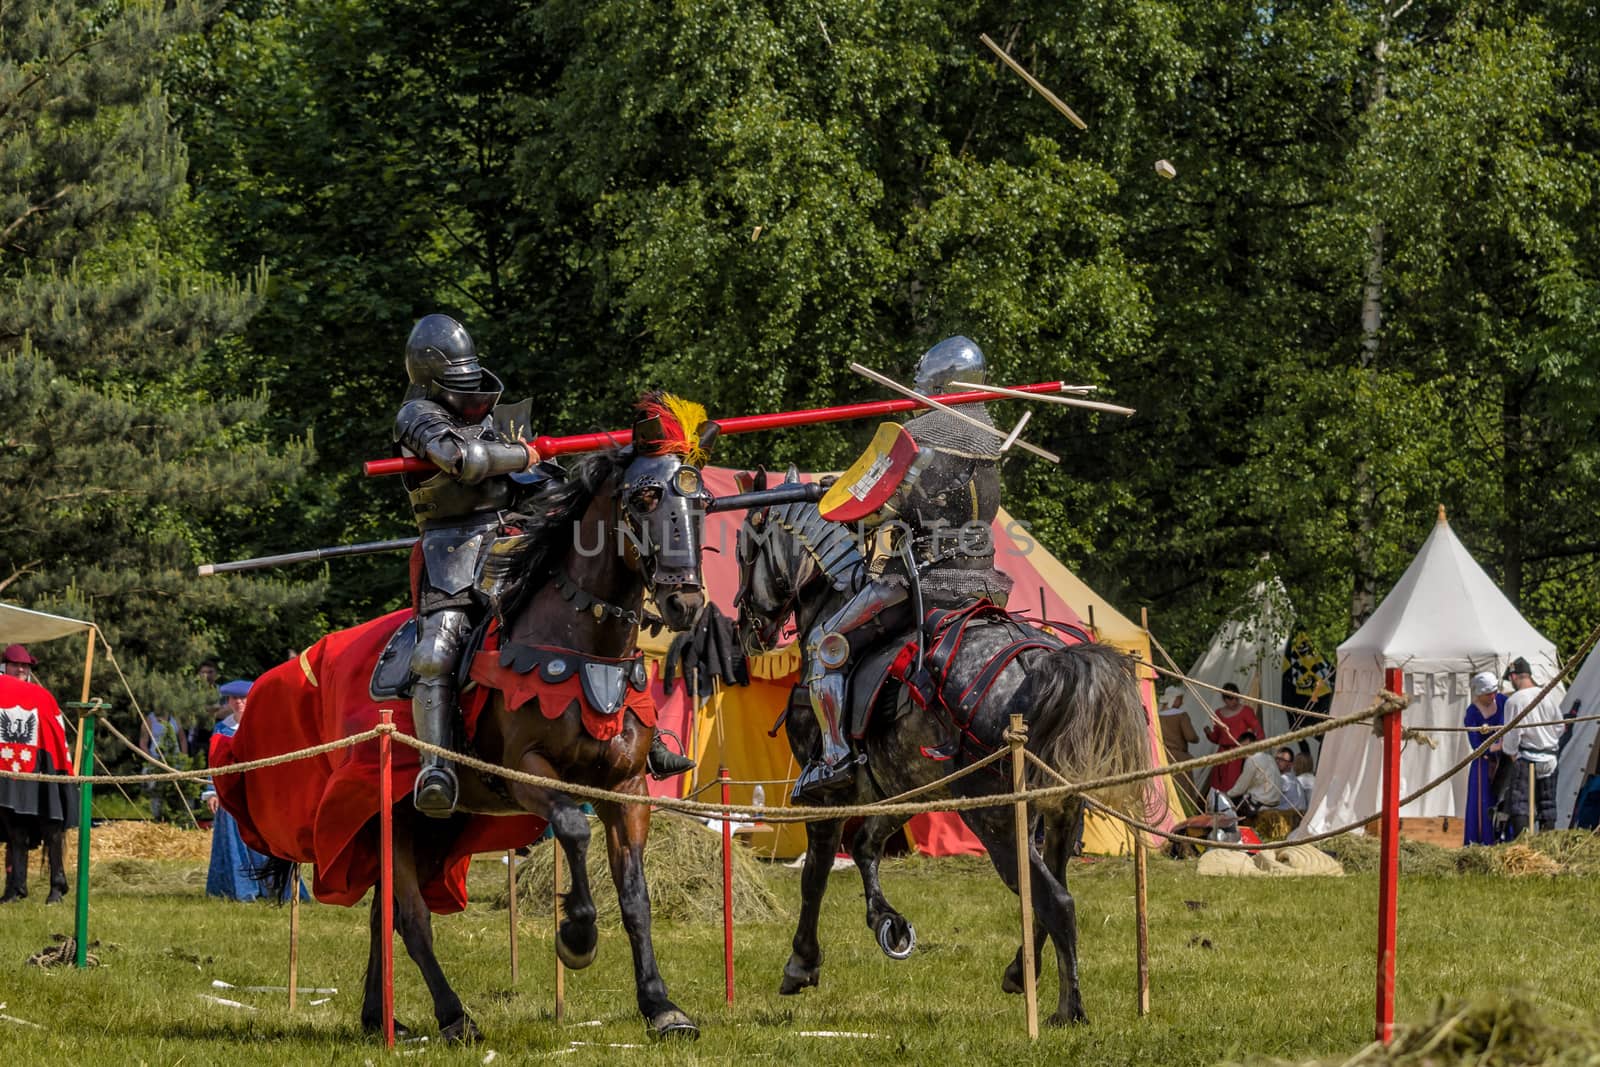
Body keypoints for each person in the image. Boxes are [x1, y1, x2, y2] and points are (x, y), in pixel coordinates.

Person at [793, 336, 1012, 802]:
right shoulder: (990, 443)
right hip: (983, 583)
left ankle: (833, 756)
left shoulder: (931, 442)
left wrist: (845, 498)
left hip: (921, 581)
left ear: (937, 381)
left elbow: (881, 510)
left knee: (824, 642)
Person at [200, 679, 277, 900]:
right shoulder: (222, 728)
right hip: (230, 793)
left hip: (258, 794)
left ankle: (271, 888)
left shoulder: (262, 725)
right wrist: (213, 791)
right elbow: (215, 762)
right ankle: (238, 890)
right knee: (232, 841)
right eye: (234, 698)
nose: (239, 702)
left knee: (264, 840)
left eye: (243, 698)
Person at [1500, 656, 1563, 836]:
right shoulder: (1547, 696)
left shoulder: (1514, 701)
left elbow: (1511, 735)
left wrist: (1511, 753)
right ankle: (1547, 842)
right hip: (1550, 757)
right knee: (1547, 803)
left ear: (1513, 677)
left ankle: (1524, 845)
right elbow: (1559, 727)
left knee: (1520, 804)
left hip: (1527, 758)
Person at [1462, 670, 1505, 845]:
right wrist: (1498, 746)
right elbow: (1476, 746)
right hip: (1483, 765)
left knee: (1504, 801)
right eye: (1489, 693)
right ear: (1479, 693)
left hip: (1505, 761)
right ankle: (1482, 843)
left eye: (1495, 692)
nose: (1493, 696)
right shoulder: (1472, 713)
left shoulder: (1503, 701)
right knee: (1483, 804)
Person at [1204, 683, 1262, 795]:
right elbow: (1217, 737)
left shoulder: (1246, 711)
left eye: (1236, 697)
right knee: (1218, 784)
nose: (1234, 701)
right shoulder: (1218, 713)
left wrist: (1255, 749)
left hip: (1238, 754)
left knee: (1234, 784)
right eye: (1230, 698)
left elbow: (1258, 730)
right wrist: (1208, 733)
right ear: (1224, 699)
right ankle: (1220, 807)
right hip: (1222, 754)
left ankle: (1232, 807)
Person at [1224, 730, 1283, 819]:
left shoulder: (1252, 759)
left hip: (1260, 803)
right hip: (1274, 802)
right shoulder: (1269, 757)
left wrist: (1225, 795)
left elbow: (1240, 788)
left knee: (1228, 804)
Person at [1158, 690, 1202, 810]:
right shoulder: (1181, 715)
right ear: (1174, 699)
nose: (1182, 702)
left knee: (1164, 789)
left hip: (1161, 757)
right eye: (1180, 699)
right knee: (1183, 791)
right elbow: (1191, 736)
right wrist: (1197, 738)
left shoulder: (1158, 715)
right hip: (1178, 757)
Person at [1275, 747, 1308, 811]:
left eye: (1282, 760)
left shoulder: (1284, 779)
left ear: (1290, 764)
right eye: (1277, 758)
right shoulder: (1294, 780)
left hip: (1287, 817)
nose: (1277, 761)